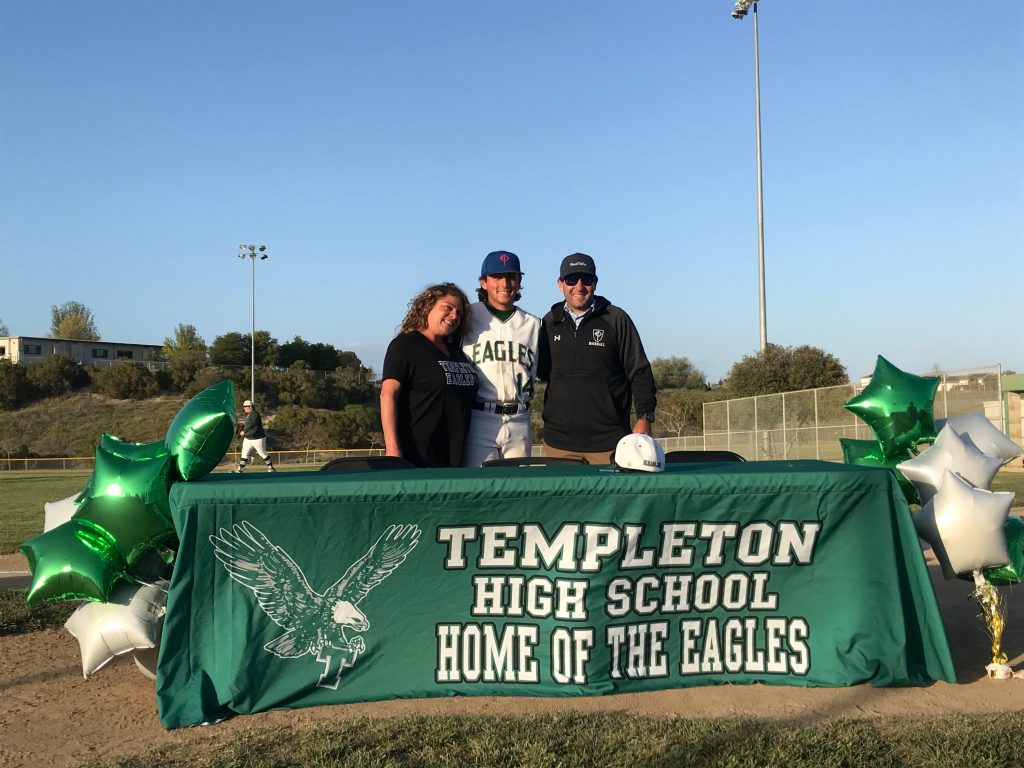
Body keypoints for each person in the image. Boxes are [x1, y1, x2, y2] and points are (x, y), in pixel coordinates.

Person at [537, 252, 657, 465]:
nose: (579, 286)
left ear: (595, 282)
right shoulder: (548, 323)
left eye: (587, 279)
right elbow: (543, 372)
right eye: (572, 279)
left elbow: (640, 372)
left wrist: (644, 418)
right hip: (559, 445)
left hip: (609, 443)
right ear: (560, 283)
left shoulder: (616, 319)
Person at [380, 282, 479, 468]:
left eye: (459, 312)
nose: (454, 315)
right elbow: (388, 395)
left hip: (455, 457)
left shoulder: (456, 351)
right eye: (447, 308)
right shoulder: (405, 345)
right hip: (417, 455)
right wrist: (392, 448)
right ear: (427, 308)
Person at [460, 250, 542, 467]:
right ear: (483, 282)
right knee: (479, 490)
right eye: (497, 277)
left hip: (520, 417)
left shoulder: (534, 324)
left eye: (511, 277)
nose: (505, 283)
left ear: (519, 281)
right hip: (479, 417)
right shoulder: (466, 316)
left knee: (518, 491)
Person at [235, 399, 276, 473]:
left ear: (250, 407)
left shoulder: (255, 414)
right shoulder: (248, 415)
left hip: (257, 438)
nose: (244, 408)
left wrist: (244, 431)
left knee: (262, 453)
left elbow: (252, 424)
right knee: (244, 454)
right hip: (248, 438)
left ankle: (271, 467)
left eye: (245, 406)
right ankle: (239, 469)